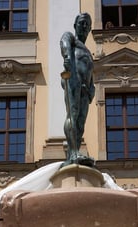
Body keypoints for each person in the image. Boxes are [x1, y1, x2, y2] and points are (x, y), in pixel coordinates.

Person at [60, 12, 95, 167]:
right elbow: (64, 41)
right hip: (73, 79)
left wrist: (91, 86)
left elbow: (89, 70)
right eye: (81, 23)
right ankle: (72, 152)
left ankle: (75, 151)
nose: (84, 26)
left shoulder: (87, 51)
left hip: (85, 88)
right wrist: (67, 56)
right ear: (75, 26)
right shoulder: (72, 38)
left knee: (80, 123)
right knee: (72, 115)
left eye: (87, 24)